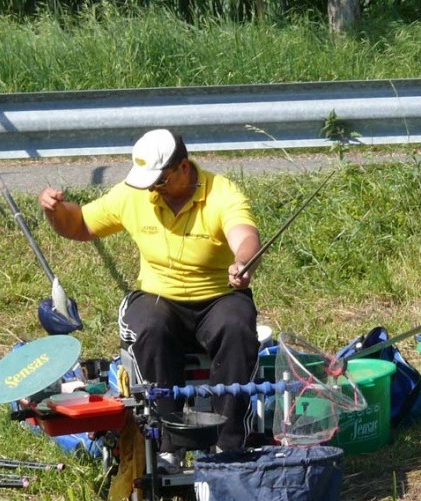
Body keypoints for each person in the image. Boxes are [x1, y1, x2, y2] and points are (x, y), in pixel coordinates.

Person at [38, 129, 262, 468]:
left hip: (219, 296)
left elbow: (246, 237)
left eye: (160, 180)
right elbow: (80, 224)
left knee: (237, 327)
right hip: (158, 296)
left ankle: (228, 448)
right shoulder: (134, 194)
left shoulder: (221, 192)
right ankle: (168, 445)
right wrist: (55, 211)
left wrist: (243, 262)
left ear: (184, 167)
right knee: (149, 326)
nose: (153, 189)